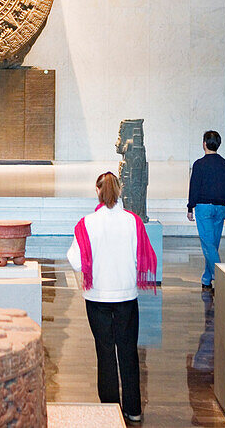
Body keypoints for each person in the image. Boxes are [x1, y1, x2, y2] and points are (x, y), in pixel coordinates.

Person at [68, 172, 158, 424]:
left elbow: (75, 261)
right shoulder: (133, 221)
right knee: (128, 352)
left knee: (105, 352)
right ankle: (133, 409)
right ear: (120, 192)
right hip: (126, 296)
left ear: (97, 191)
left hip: (97, 297)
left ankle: (109, 409)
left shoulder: (87, 223)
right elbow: (144, 257)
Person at [186, 130, 225, 291]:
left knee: (208, 245)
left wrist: (190, 207)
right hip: (220, 207)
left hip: (204, 207)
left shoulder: (199, 164)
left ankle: (220, 279)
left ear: (204, 144)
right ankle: (206, 279)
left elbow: (194, 187)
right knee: (212, 244)